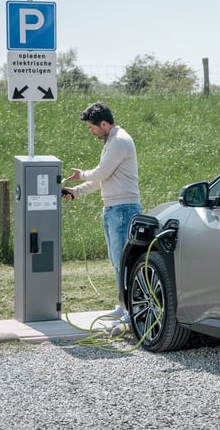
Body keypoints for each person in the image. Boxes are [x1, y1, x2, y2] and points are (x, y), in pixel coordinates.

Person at [62, 102, 141, 325]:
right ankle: (123, 306)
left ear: (104, 123)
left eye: (92, 128)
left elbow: (100, 172)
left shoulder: (119, 141)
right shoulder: (111, 142)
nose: (92, 132)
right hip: (113, 209)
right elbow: (102, 179)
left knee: (123, 261)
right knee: (117, 261)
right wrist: (76, 191)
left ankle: (130, 311)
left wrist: (81, 175)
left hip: (123, 210)